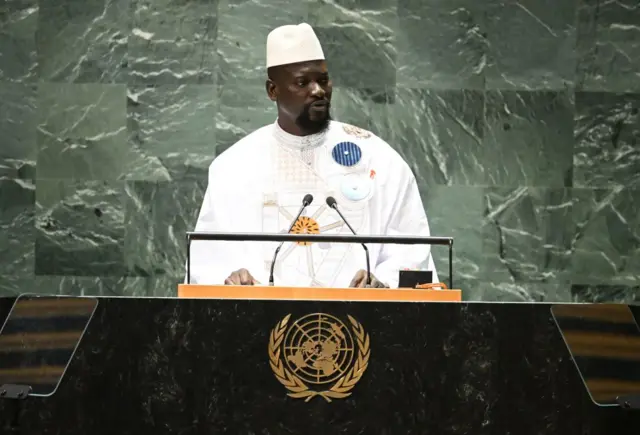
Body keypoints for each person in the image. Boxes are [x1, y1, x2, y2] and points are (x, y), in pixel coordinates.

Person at [187, 23, 438, 288]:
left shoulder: (378, 159)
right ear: (272, 91)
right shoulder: (234, 167)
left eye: (323, 80)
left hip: (361, 324)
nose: (318, 90)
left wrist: (382, 283)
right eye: (302, 82)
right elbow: (207, 262)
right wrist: (232, 278)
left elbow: (411, 251)